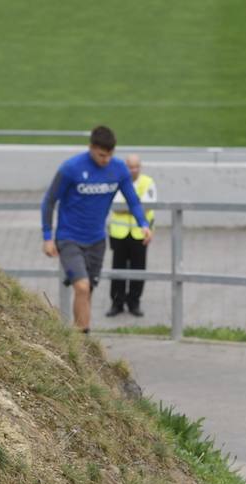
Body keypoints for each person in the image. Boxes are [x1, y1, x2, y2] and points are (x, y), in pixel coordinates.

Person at [41, 126, 152, 332]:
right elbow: (49, 201)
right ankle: (84, 340)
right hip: (69, 238)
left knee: (87, 290)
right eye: (101, 155)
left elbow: (133, 201)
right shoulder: (71, 168)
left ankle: (78, 336)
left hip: (97, 241)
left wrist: (143, 224)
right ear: (91, 147)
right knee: (81, 287)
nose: (106, 160)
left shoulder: (118, 169)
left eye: (110, 155)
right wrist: (48, 237)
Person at [106, 154, 157, 317]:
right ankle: (117, 303)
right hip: (119, 233)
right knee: (118, 269)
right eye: (130, 167)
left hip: (140, 233)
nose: (133, 170)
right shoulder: (117, 181)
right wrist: (135, 205)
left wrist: (128, 205)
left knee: (138, 269)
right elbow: (115, 206)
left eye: (136, 166)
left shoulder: (147, 182)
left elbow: (148, 206)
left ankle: (134, 303)